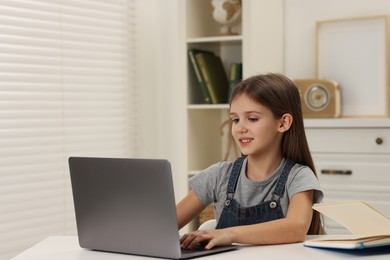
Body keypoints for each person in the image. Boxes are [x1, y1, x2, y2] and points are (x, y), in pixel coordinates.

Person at [176, 73, 324, 250]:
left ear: (283, 123)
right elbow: (165, 225)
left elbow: (296, 228)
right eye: (235, 119)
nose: (240, 128)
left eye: (252, 119)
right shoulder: (218, 175)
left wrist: (228, 233)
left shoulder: (299, 176)